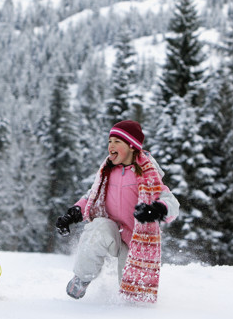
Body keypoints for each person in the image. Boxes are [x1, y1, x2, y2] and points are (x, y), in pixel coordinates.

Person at [55, 120, 179, 303]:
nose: (110, 146)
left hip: (135, 242)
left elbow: (171, 203)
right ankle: (82, 278)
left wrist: (157, 209)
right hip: (112, 231)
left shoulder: (148, 175)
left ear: (131, 146)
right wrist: (72, 214)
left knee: (132, 299)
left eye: (117, 142)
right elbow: (92, 197)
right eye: (109, 141)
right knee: (96, 229)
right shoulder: (108, 171)